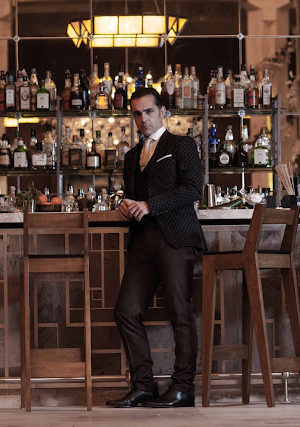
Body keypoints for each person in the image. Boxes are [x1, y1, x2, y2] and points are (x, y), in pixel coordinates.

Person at [106, 87, 206, 408]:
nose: (143, 119)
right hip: (142, 241)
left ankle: (183, 388)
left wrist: (150, 205)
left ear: (162, 112)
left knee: (180, 313)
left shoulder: (181, 144)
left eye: (149, 111)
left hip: (175, 237)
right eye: (137, 113)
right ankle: (144, 385)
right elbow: (134, 197)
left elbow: (192, 189)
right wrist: (126, 206)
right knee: (126, 311)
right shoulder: (131, 157)